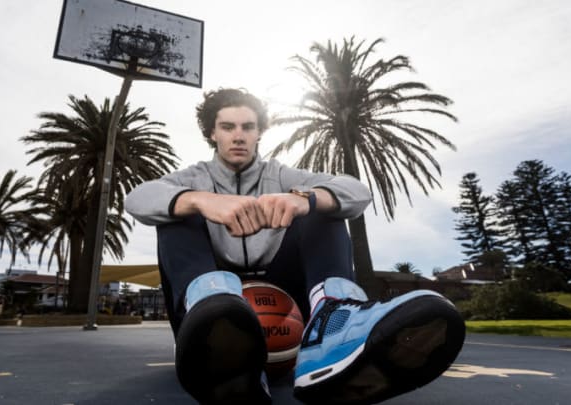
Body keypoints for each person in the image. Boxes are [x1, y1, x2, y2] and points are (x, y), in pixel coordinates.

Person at [125, 88, 465, 404]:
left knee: (324, 206)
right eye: (228, 127)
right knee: (174, 211)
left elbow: (357, 191)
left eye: (248, 127)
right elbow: (137, 198)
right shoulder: (193, 177)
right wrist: (200, 200)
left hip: (284, 287)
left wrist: (305, 199)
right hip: (215, 291)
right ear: (213, 133)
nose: (239, 135)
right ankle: (214, 329)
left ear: (259, 133)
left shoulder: (282, 175)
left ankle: (335, 323)